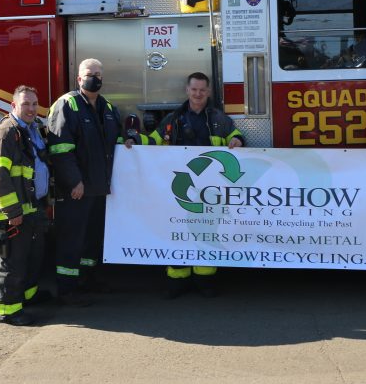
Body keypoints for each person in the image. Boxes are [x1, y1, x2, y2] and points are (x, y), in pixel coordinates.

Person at [141, 71, 245, 298]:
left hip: (209, 191)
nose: (198, 94)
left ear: (208, 92)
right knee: (176, 232)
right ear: (187, 90)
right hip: (180, 188)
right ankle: (177, 281)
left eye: (202, 90)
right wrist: (130, 141)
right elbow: (153, 140)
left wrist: (237, 140)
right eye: (194, 89)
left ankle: (204, 281)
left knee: (206, 233)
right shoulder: (173, 120)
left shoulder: (219, 119)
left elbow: (236, 136)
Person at [47, 58, 135, 306]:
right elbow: (61, 149)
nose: (94, 78)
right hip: (76, 189)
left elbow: (114, 140)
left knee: (92, 238)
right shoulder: (67, 105)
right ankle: (67, 290)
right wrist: (74, 181)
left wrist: (129, 139)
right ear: (78, 78)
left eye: (98, 74)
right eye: (89, 74)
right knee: (71, 238)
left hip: (99, 188)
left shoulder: (107, 107)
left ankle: (88, 279)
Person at [0, 85, 50, 326]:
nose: (31, 109)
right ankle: (9, 310)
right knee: (12, 262)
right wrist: (13, 212)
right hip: (14, 212)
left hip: (32, 208)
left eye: (34, 104)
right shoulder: (6, 134)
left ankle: (26, 297)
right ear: (13, 106)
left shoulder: (32, 130)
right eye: (25, 104)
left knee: (32, 257)